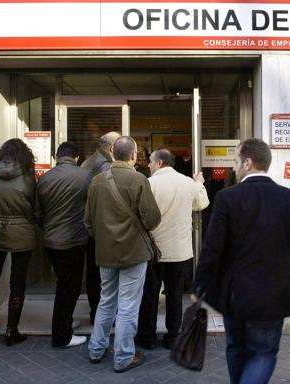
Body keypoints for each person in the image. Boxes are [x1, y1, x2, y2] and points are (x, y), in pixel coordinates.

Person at [194, 138, 290, 384]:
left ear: (248, 163)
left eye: (236, 162)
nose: (234, 168)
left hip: (236, 291)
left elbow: (212, 248)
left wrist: (200, 285)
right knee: (264, 353)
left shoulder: (227, 198)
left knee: (236, 348)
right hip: (275, 290)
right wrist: (284, 262)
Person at [85, 136, 161, 373]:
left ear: (111, 152)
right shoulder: (138, 179)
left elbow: (88, 222)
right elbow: (152, 219)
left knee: (106, 300)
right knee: (128, 306)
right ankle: (123, 356)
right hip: (133, 253)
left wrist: (106, 238)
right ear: (134, 155)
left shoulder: (96, 181)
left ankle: (96, 349)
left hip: (105, 252)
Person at [135, 148, 209, 350]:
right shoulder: (187, 183)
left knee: (149, 295)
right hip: (180, 251)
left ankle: (147, 337)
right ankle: (173, 337)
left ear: (159, 163)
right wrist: (199, 184)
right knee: (175, 296)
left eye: (151, 161)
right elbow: (202, 204)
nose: (148, 165)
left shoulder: (148, 184)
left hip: (153, 251)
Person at [35, 142, 92, 348]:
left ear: (56, 156)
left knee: (63, 284)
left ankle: (64, 323)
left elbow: (37, 213)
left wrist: (48, 228)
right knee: (70, 288)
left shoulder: (44, 178)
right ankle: (62, 336)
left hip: (51, 240)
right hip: (74, 240)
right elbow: (91, 207)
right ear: (76, 157)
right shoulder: (85, 176)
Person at [0, 138, 36, 346]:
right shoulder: (27, 177)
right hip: (21, 230)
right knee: (17, 281)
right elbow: (34, 204)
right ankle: (11, 330)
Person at [81, 131, 121, 324]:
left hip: (91, 226)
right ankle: (102, 314)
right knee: (103, 276)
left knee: (94, 273)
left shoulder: (89, 161)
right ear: (112, 149)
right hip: (102, 228)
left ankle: (95, 311)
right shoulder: (105, 166)